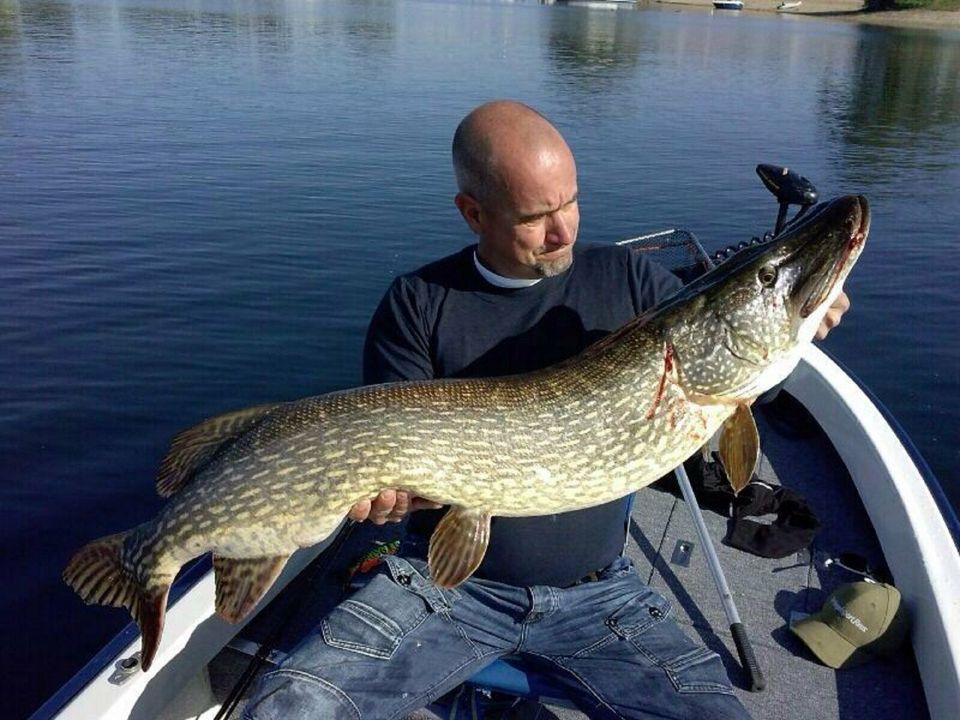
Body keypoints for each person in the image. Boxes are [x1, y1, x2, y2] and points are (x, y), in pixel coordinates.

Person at [242, 100, 849, 720]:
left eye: (570, 202)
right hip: (443, 587)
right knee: (288, 705)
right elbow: (389, 466)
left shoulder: (631, 281)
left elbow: (743, 381)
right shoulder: (417, 304)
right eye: (537, 217)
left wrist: (797, 328)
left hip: (601, 594)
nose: (565, 231)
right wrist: (386, 498)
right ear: (473, 213)